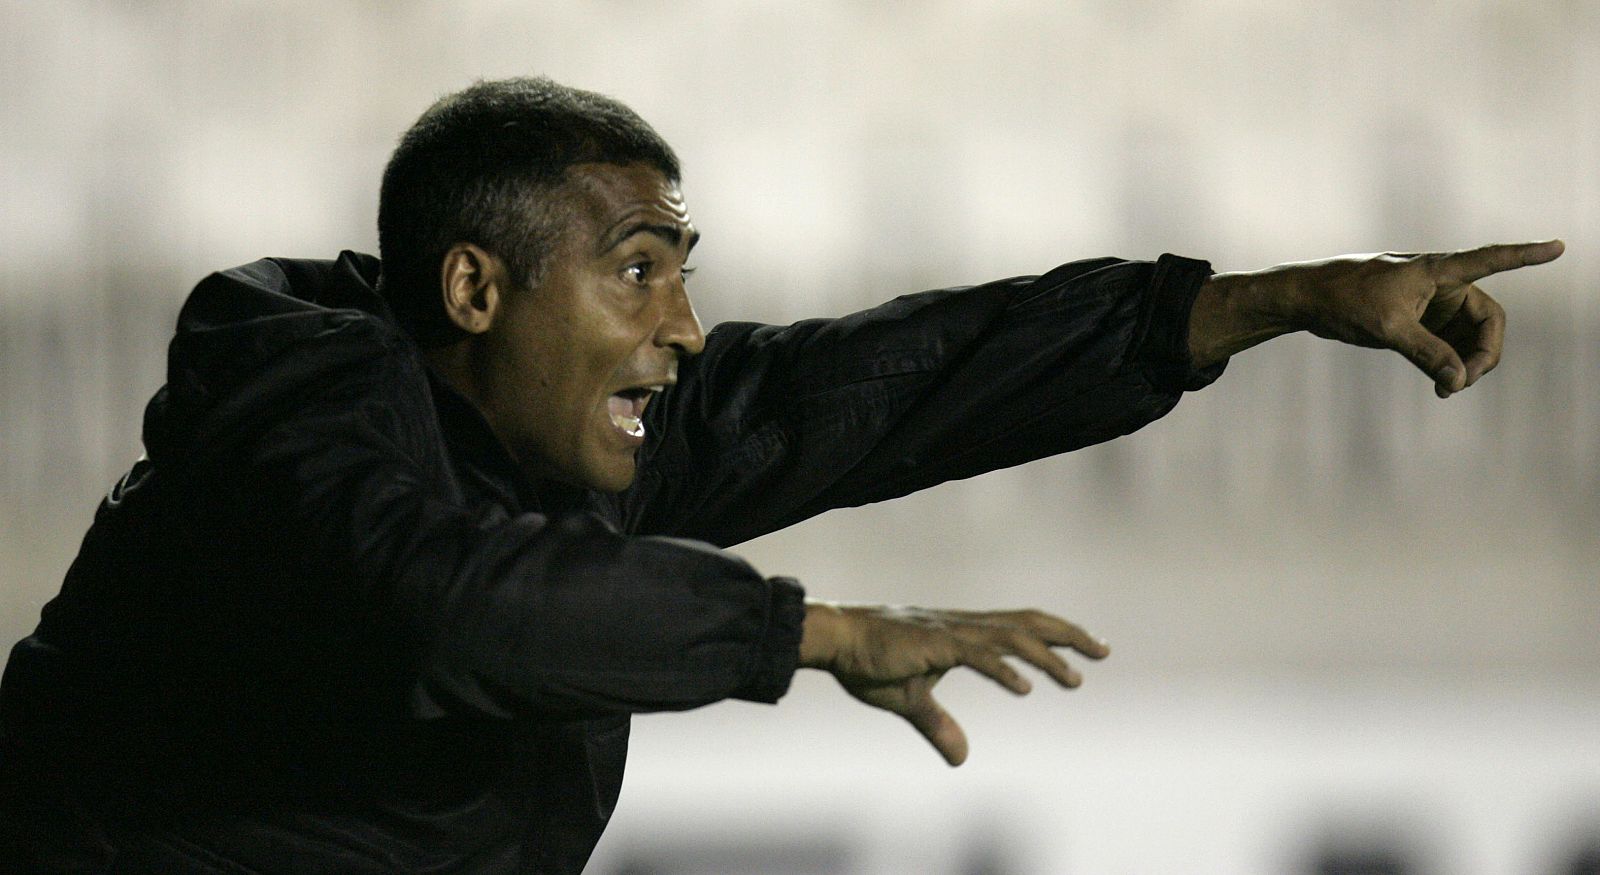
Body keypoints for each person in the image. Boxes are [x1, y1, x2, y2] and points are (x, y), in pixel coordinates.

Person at [0, 76, 1562, 875]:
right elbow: (454, 610)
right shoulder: (296, 418)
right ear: (474, 290)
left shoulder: (563, 426)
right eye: (635, 271)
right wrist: (813, 632)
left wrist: (1272, 303)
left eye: (684, 273)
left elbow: (879, 385)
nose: (680, 327)